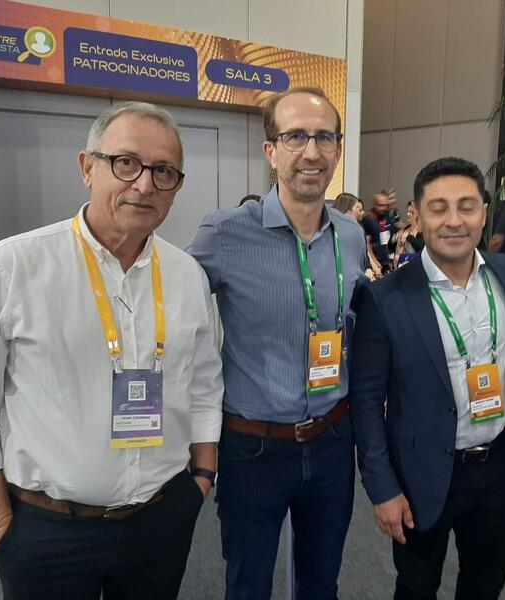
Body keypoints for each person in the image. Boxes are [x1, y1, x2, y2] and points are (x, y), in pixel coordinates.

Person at [0, 102, 224, 600]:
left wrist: (202, 477)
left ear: (176, 185)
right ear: (87, 167)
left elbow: (205, 383)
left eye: (164, 171)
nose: (144, 184)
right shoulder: (12, 267)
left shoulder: (187, 275)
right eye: (126, 163)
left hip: (160, 521)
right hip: (47, 530)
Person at [187, 87, 366, 600]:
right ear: (271, 151)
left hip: (333, 440)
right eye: (295, 137)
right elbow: (167, 307)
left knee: (321, 583)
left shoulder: (351, 236)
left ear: (338, 150)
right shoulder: (224, 234)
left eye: (325, 137)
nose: (311, 151)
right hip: (254, 447)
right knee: (248, 584)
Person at [350, 157, 505, 599]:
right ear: (417, 215)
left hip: (496, 468)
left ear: (484, 213)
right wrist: (382, 489)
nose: (454, 221)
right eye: (438, 207)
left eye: (466, 206)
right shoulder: (385, 298)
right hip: (420, 472)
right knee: (416, 586)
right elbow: (366, 403)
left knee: (486, 584)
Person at [364, 190, 400, 272]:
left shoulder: (388, 216)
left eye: (385, 205)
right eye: (380, 205)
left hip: (389, 261)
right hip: (376, 262)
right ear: (374, 204)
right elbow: (367, 244)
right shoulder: (368, 219)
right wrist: (374, 261)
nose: (383, 208)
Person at [392, 201, 424, 268]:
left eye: (412, 212)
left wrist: (408, 237)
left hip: (415, 267)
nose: (408, 214)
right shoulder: (405, 229)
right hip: (400, 266)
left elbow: (421, 247)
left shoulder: (423, 230)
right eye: (408, 212)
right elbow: (391, 245)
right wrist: (395, 238)